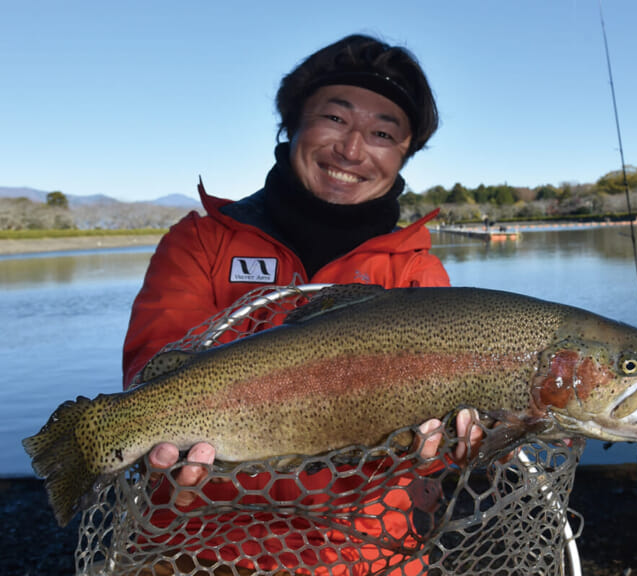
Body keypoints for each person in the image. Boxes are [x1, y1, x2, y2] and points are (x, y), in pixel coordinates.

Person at [122, 34, 459, 575]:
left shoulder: (417, 274)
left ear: (403, 155)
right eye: (334, 118)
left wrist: (477, 436)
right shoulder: (201, 243)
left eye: (381, 133)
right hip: (196, 545)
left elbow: (440, 442)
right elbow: (152, 373)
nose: (351, 150)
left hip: (363, 555)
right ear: (292, 125)